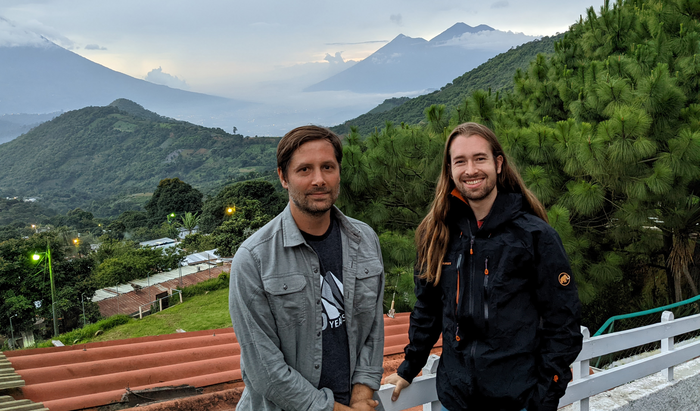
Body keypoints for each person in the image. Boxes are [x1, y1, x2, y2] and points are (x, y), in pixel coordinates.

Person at [385, 122, 583, 411]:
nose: (471, 170)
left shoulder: (534, 236)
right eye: (460, 161)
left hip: (520, 400)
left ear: (498, 164)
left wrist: (545, 394)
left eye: (480, 158)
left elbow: (563, 322)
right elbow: (427, 308)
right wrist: (408, 367)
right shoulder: (437, 234)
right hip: (455, 400)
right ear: (449, 170)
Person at [229, 125, 385, 411]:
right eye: (304, 170)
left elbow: (373, 329)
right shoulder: (253, 259)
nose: (319, 180)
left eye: (328, 167)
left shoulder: (365, 241)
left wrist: (362, 397)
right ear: (283, 177)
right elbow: (264, 369)